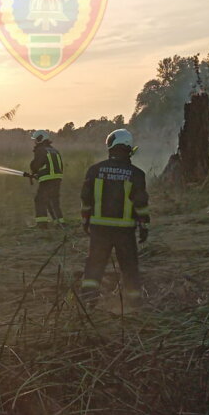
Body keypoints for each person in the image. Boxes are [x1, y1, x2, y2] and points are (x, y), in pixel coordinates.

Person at [79, 129, 150, 308]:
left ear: (111, 144)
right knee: (129, 266)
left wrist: (85, 219)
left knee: (94, 265)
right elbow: (140, 202)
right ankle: (134, 302)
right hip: (125, 231)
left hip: (99, 229)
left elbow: (86, 198)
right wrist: (144, 225)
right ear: (128, 147)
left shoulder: (94, 170)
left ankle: (88, 301)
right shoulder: (136, 174)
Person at [24, 129, 64, 228]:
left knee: (40, 199)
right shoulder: (54, 150)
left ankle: (42, 224)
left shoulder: (40, 149)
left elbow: (37, 164)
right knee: (53, 200)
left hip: (47, 178)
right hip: (57, 178)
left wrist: (35, 171)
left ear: (41, 138)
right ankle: (59, 223)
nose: (35, 142)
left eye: (36, 139)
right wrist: (39, 174)